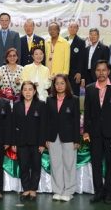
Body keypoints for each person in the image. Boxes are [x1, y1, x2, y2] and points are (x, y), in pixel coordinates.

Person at [84, 60, 111, 204]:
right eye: (98, 70)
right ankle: (98, 192)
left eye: (104, 70)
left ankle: (109, 192)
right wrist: (86, 131)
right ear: (95, 72)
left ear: (108, 72)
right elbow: (87, 113)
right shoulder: (89, 89)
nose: (101, 73)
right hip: (94, 134)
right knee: (96, 164)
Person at [46, 74, 80, 202]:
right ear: (53, 86)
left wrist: (77, 139)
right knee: (55, 164)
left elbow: (76, 121)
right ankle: (58, 190)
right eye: (57, 83)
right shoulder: (49, 100)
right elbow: (47, 121)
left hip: (70, 137)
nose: (59, 86)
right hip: (53, 137)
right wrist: (47, 138)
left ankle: (69, 191)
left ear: (66, 84)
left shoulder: (74, 99)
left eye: (62, 83)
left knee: (69, 164)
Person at [12, 81, 46, 201]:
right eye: (25, 89)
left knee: (36, 166)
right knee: (24, 166)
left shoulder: (41, 105)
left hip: (36, 142)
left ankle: (33, 190)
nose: (27, 92)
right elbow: (13, 125)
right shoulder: (16, 105)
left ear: (35, 91)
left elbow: (43, 126)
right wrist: (14, 143)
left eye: (30, 89)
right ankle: (26, 189)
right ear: (21, 91)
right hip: (21, 142)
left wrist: (42, 143)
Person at [0, 13, 21, 78]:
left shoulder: (15, 35)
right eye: (2, 20)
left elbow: (18, 52)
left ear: (9, 21)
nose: (4, 22)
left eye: (6, 20)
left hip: (12, 66)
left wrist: (17, 67)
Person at [65, 21, 85, 96]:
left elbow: (81, 59)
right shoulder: (63, 40)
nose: (72, 29)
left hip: (75, 73)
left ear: (77, 29)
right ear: (68, 28)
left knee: (74, 93)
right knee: (64, 92)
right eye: (71, 27)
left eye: (74, 27)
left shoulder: (81, 42)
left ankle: (75, 108)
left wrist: (79, 72)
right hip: (64, 72)